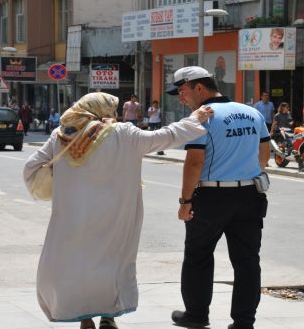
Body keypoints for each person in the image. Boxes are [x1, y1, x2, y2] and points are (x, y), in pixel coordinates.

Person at [24, 92, 213, 329]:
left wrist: (61, 182)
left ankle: (85, 319)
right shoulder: (123, 133)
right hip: (116, 216)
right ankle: (108, 316)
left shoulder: (61, 135)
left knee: (78, 265)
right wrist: (193, 119)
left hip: (73, 218)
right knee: (112, 264)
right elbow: (165, 136)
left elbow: (31, 167)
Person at [166, 66, 270, 329]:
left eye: (182, 91)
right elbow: (264, 155)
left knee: (198, 256)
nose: (181, 98)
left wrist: (185, 201)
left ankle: (197, 316)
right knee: (247, 261)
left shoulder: (203, 117)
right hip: (250, 194)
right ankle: (244, 322)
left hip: (211, 197)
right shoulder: (252, 112)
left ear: (199, 87)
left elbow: (194, 164)